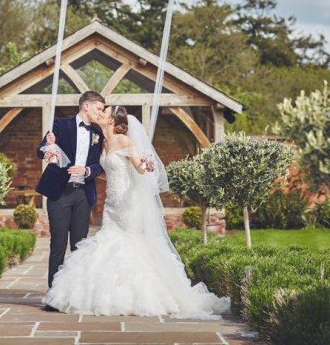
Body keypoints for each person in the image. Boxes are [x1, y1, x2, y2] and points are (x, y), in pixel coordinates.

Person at [41, 104, 230, 318]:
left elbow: (139, 168)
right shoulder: (102, 142)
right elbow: (107, 172)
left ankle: (143, 295)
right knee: (108, 243)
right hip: (111, 203)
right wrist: (85, 172)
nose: (101, 113)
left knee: (131, 245)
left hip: (128, 202)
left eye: (105, 111)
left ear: (112, 120)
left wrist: (147, 164)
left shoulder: (124, 140)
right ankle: (109, 294)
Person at [35, 90, 105, 302]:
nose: (101, 114)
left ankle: (75, 294)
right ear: (86, 106)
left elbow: (99, 165)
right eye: (99, 109)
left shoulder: (98, 133)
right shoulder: (60, 125)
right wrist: (48, 147)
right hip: (60, 193)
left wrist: (86, 171)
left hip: (84, 194)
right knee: (57, 244)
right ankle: (54, 294)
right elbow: (41, 150)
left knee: (79, 245)